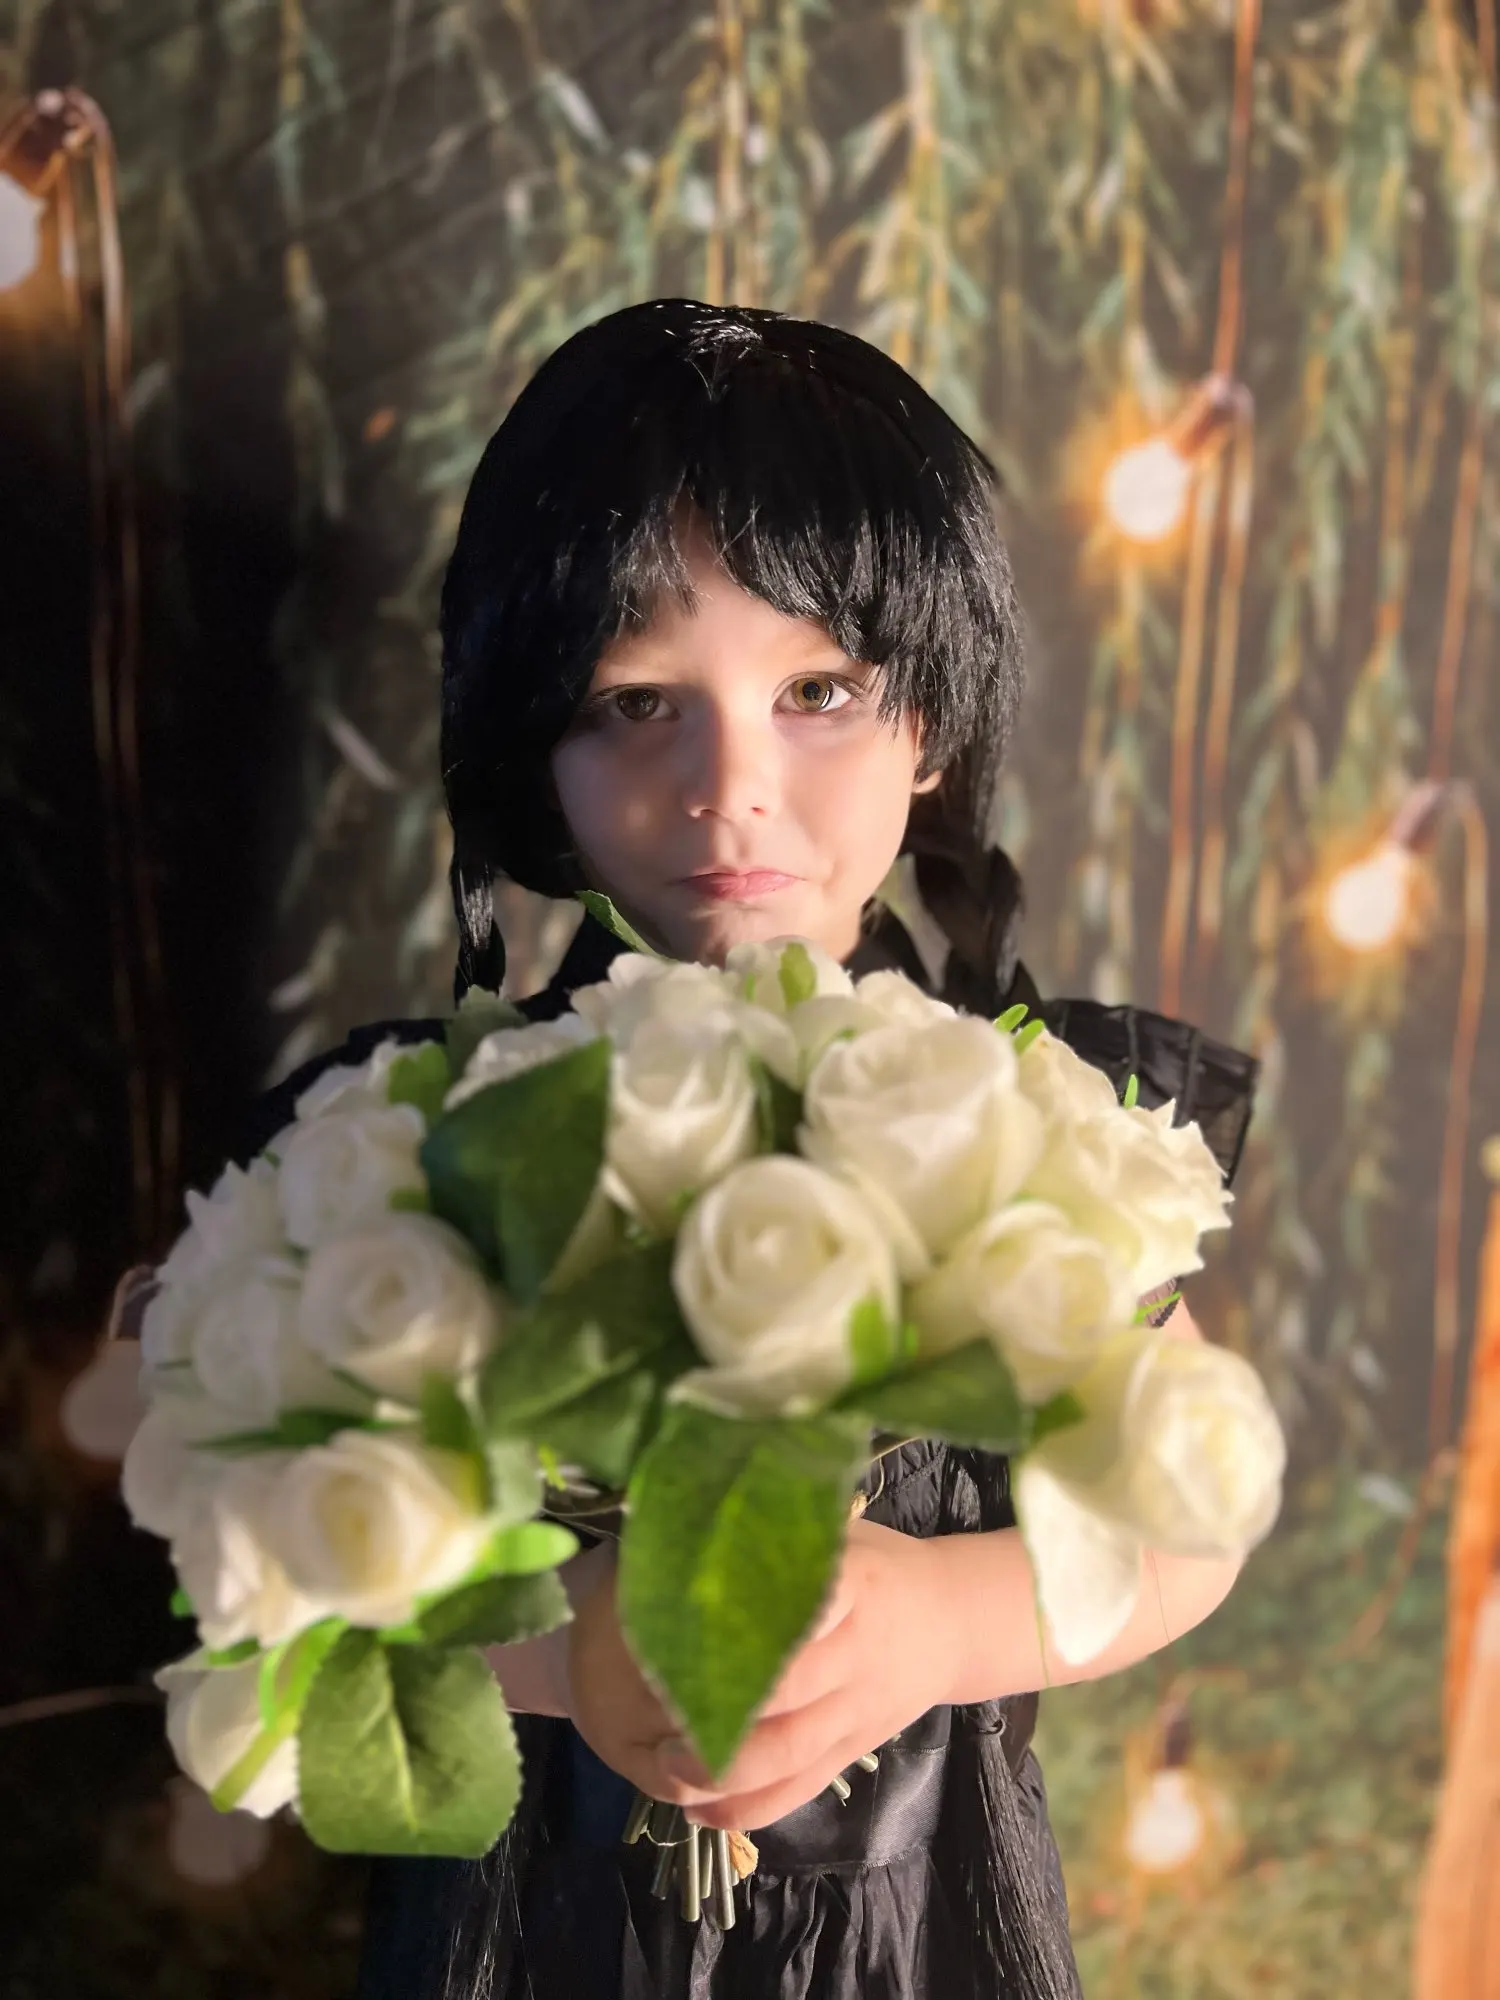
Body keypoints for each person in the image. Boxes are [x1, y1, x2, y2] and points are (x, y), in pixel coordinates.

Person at [244, 299, 1260, 2000]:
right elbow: (281, 1542)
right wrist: (559, 1653)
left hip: (907, 1932)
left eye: (817, 691)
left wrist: (943, 1620)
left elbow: (1188, 1518)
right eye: (638, 702)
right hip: (542, 1927)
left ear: (929, 725)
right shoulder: (438, 1139)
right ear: (533, 746)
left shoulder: (1019, 1122)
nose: (730, 784)